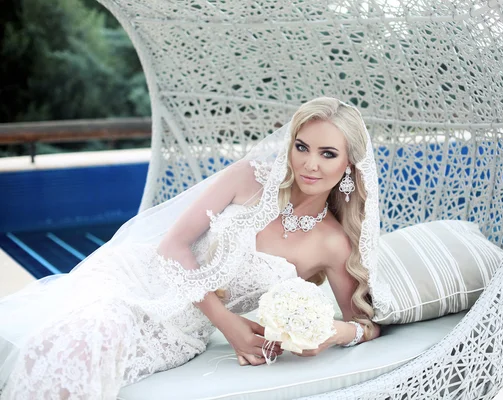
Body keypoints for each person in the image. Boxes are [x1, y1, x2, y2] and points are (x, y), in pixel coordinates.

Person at [0, 97, 392, 399]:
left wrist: (328, 334)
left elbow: (365, 324)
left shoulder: (333, 243)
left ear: (350, 166)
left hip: (180, 328)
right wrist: (228, 324)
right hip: (135, 276)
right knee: (82, 331)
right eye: (302, 147)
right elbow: (172, 246)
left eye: (328, 154)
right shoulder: (249, 179)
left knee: (89, 340)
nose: (309, 164)